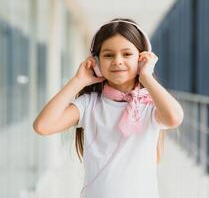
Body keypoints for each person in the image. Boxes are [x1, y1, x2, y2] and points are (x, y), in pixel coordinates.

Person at [33, 17, 184, 198]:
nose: (117, 61)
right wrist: (77, 81)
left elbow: (174, 118)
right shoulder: (89, 104)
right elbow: (43, 126)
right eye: (108, 55)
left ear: (142, 59)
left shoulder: (150, 105)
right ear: (96, 63)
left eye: (127, 54)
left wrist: (147, 77)